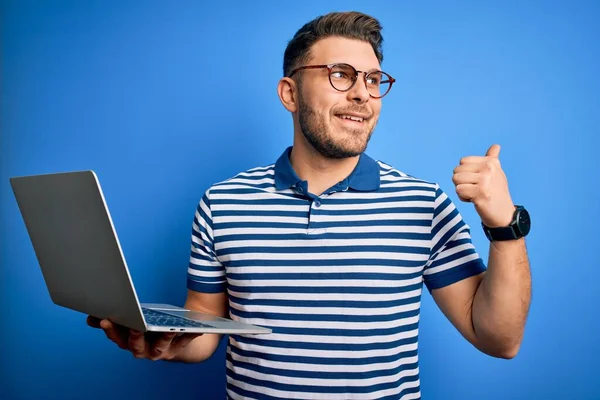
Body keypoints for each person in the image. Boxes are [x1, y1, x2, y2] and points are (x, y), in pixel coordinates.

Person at [87, 10, 532, 400]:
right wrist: (166, 340)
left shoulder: (423, 204)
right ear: (290, 94)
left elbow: (498, 339)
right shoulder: (222, 203)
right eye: (341, 74)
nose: (362, 93)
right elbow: (204, 329)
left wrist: (504, 227)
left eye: (373, 79)